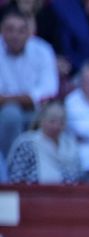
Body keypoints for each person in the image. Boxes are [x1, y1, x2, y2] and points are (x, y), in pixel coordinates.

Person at [0, 6, 61, 158]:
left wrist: (9, 99)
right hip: (3, 114)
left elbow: (49, 90)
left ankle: (42, 170)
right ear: (1, 30)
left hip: (37, 112)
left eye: (21, 30)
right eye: (10, 29)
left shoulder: (43, 50)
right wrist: (24, 99)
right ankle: (12, 167)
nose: (15, 35)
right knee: (11, 114)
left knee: (55, 115)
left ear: (29, 32)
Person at [5, 101, 82, 182]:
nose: (57, 125)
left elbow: (78, 178)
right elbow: (16, 179)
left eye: (62, 121)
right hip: (34, 193)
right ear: (42, 120)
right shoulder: (27, 145)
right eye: (52, 121)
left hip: (67, 193)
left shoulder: (71, 145)